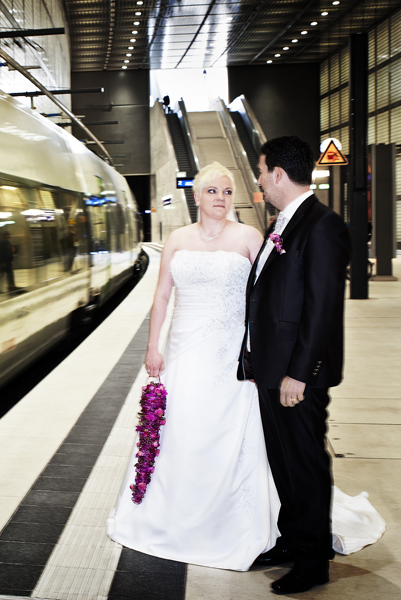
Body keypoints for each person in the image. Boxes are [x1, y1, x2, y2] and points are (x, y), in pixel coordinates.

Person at [108, 162, 278, 570]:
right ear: (197, 196)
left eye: (226, 191)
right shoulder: (178, 239)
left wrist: (264, 347)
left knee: (225, 429)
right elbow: (162, 297)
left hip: (230, 353)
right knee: (179, 428)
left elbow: (268, 296)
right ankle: (169, 515)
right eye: (212, 192)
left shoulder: (250, 237)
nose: (220, 199)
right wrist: (153, 347)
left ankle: (229, 520)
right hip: (183, 350)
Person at [238, 136, 350, 594]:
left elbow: (322, 309)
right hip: (272, 370)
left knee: (305, 465)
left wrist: (299, 374)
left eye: (261, 171)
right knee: (283, 463)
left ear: (278, 174)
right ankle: (291, 540)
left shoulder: (321, 226)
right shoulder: (284, 223)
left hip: (295, 377)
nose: (259, 179)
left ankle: (312, 560)